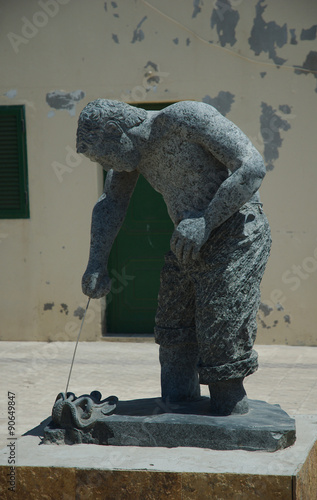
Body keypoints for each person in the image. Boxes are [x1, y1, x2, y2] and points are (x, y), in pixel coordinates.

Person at [76, 99, 271, 415]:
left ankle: (230, 409)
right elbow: (111, 203)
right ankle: (177, 405)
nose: (106, 166)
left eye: (103, 156)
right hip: (188, 240)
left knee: (220, 326)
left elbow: (251, 166)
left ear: (116, 131)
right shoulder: (133, 156)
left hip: (237, 230)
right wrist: (97, 262)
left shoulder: (185, 119)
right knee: (173, 326)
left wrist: (207, 220)